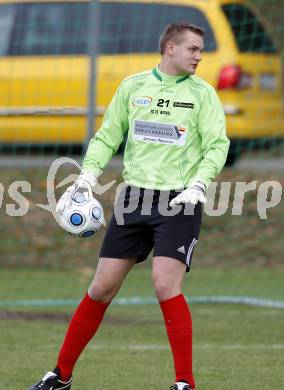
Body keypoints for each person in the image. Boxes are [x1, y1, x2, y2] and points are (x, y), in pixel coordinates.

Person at [28, 22, 229, 390]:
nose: (199, 56)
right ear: (170, 48)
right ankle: (60, 375)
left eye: (200, 50)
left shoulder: (203, 95)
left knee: (165, 285)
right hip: (134, 199)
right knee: (101, 287)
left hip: (179, 200)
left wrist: (200, 184)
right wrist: (86, 178)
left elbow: (218, 145)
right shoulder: (134, 87)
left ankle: (185, 383)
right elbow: (107, 137)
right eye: (193, 49)